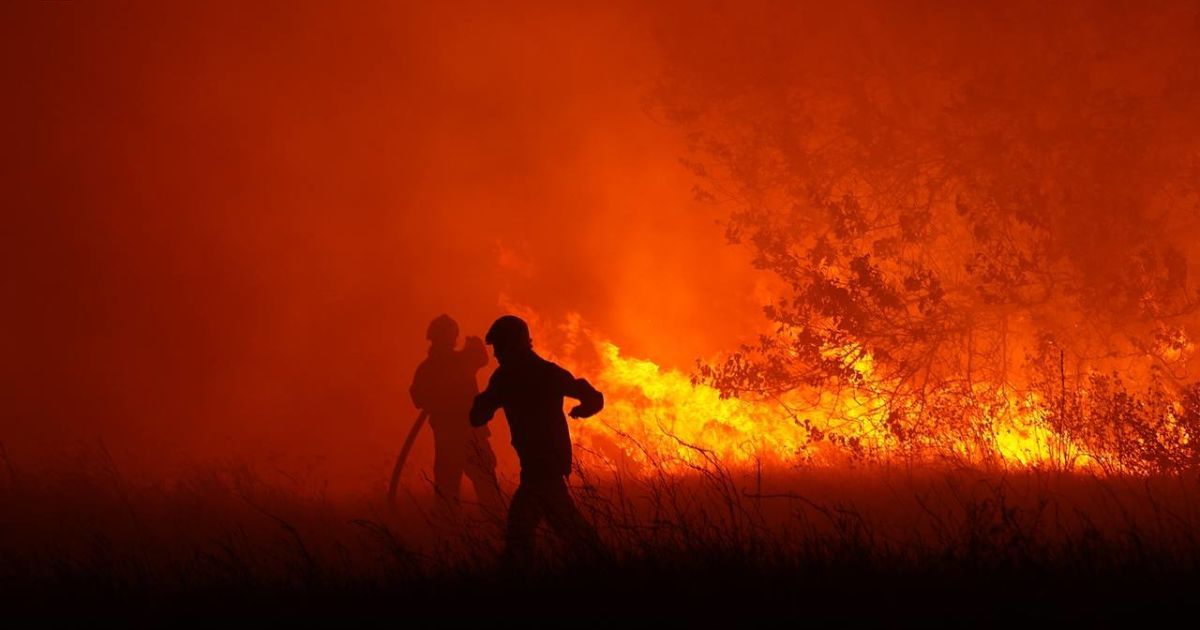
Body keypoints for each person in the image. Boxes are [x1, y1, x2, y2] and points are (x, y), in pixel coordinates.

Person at [469, 314, 605, 569]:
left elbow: (591, 396)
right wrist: (584, 408)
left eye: (500, 346)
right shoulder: (521, 376)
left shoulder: (524, 376)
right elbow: (479, 415)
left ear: (516, 344)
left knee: (521, 532)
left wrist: (584, 408)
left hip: (544, 467)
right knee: (565, 529)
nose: (496, 354)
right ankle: (601, 566)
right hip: (538, 465)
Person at [409, 314, 503, 515]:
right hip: (460, 436)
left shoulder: (436, 366)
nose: (449, 340)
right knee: (459, 489)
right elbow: (419, 398)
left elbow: (418, 399)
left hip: (462, 435)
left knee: (473, 487)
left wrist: (475, 346)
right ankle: (465, 527)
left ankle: (487, 525)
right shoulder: (454, 362)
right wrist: (474, 345)